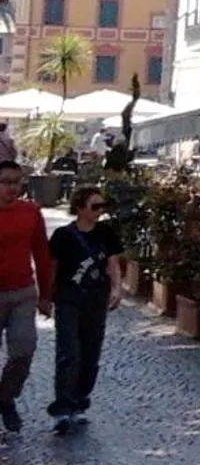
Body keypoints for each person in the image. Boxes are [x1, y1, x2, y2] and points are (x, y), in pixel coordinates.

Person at [48, 184, 122, 434]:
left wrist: (116, 289)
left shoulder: (106, 233)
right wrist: (46, 296)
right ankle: (62, 408)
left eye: (103, 206)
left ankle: (79, 401)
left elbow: (113, 264)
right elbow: (52, 267)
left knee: (90, 355)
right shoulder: (63, 236)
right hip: (69, 298)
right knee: (69, 352)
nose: (100, 211)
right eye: (95, 206)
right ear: (80, 208)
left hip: (96, 299)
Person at [0, 159, 53, 434]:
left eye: (17, 182)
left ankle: (5, 397)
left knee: (24, 351)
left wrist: (46, 295)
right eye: (6, 182)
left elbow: (42, 254)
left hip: (22, 292)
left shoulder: (30, 212)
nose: (12, 188)